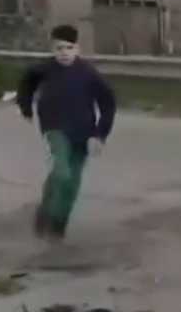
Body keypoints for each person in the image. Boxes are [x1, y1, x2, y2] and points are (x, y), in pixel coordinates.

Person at [16, 24, 116, 243]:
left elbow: (108, 102)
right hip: (54, 128)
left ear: (77, 49)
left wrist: (100, 135)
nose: (64, 52)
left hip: (83, 132)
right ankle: (47, 215)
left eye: (69, 48)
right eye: (59, 48)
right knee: (62, 171)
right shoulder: (45, 69)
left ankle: (58, 226)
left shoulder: (88, 74)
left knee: (72, 183)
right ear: (53, 49)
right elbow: (27, 83)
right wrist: (25, 107)